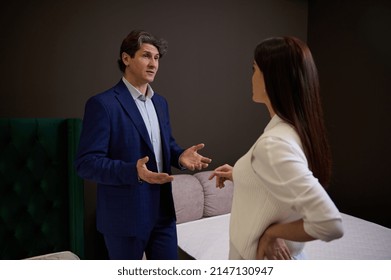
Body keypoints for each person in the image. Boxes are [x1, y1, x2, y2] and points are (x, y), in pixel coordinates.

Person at [75, 30, 212, 260]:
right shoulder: (103, 104)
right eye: (146, 56)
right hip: (124, 219)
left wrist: (179, 157)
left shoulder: (160, 102)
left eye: (157, 58)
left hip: (163, 213)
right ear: (126, 59)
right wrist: (134, 172)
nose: (153, 64)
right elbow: (86, 164)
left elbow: (163, 146)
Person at [209, 36, 343, 260]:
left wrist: (272, 234)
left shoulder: (273, 145)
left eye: (254, 69)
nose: (251, 77)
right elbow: (280, 184)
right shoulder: (295, 131)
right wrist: (239, 174)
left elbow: (329, 223)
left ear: (272, 77)